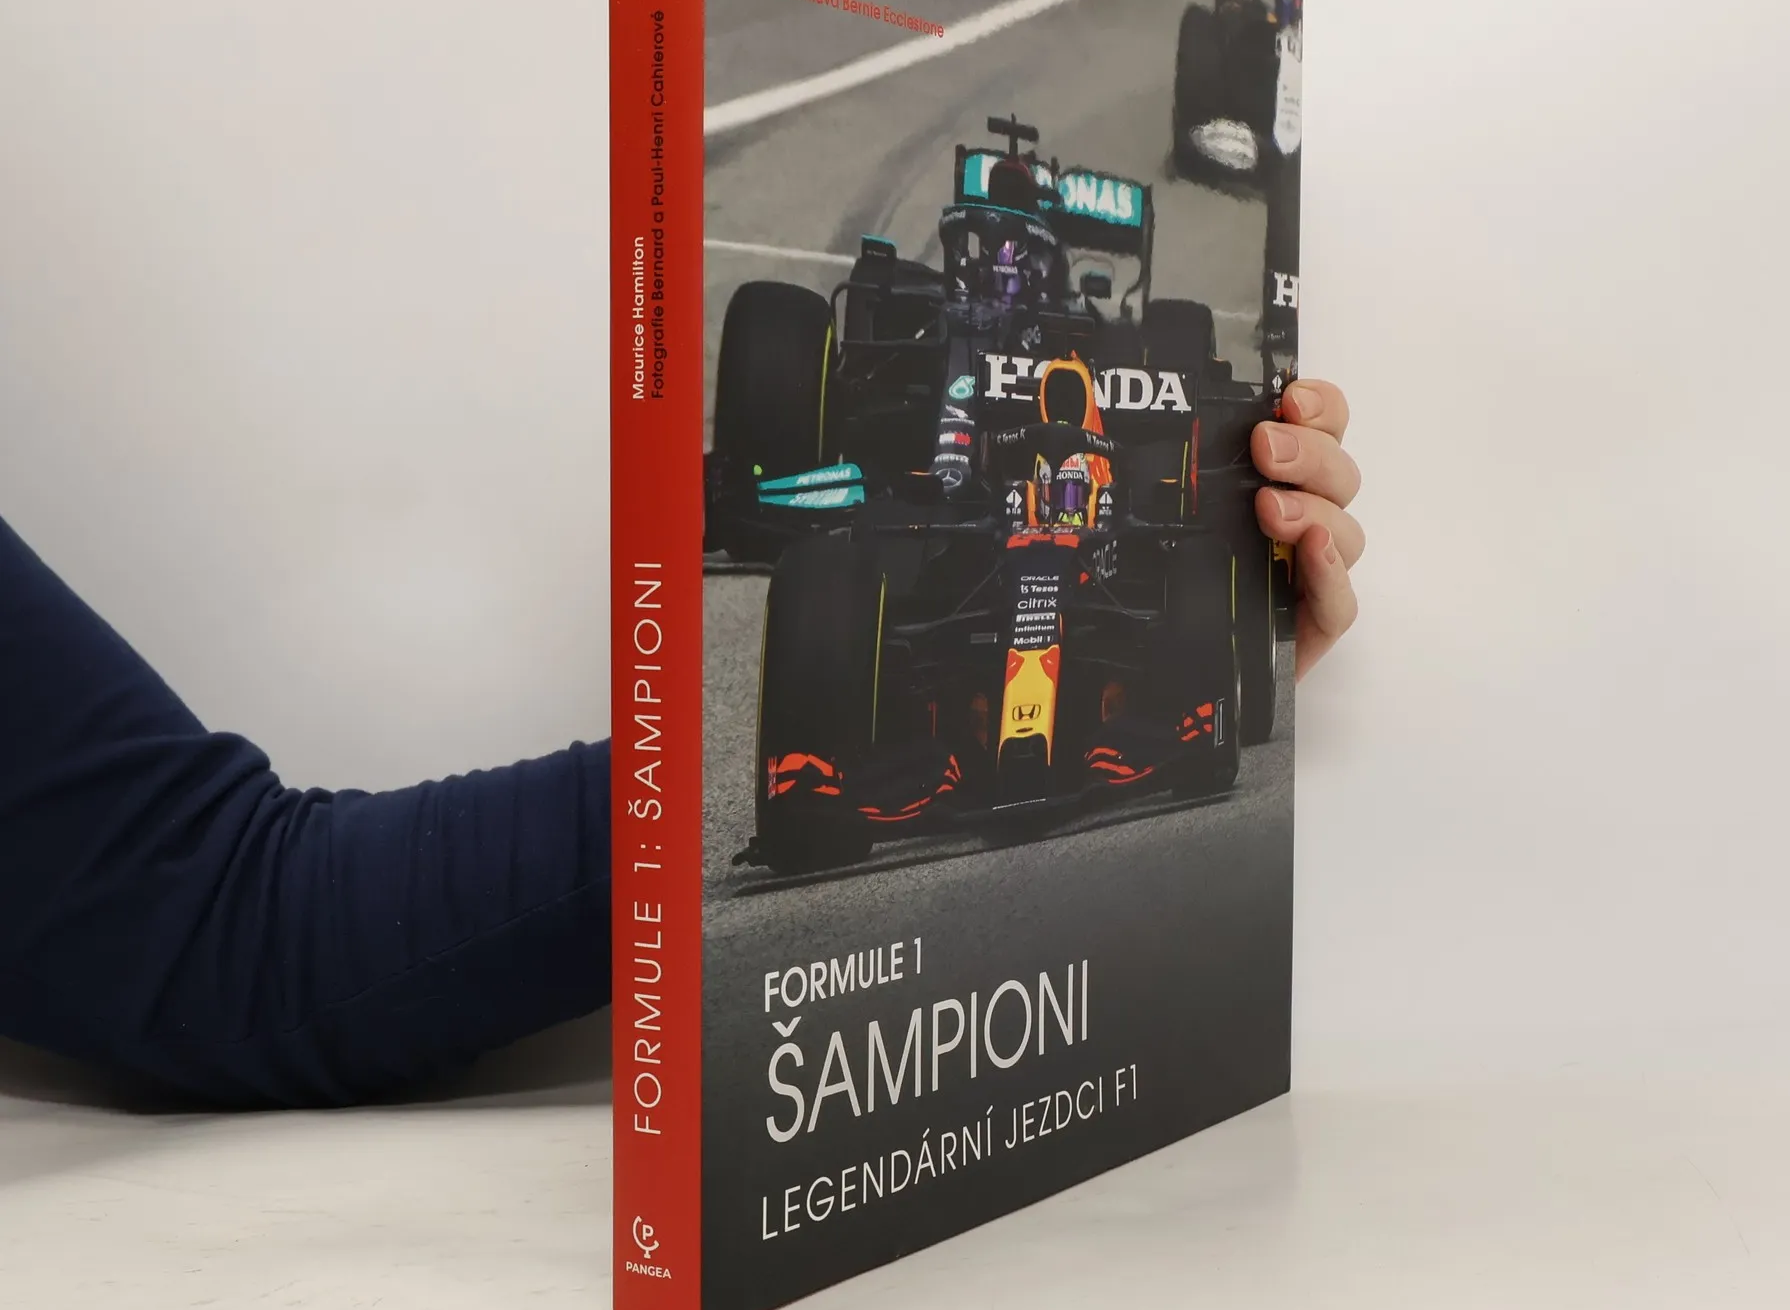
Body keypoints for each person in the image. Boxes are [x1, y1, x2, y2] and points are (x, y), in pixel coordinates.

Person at [0, 380, 1359, 1107]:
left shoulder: (1111, 507)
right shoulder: (973, 489)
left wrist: (1221, 630)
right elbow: (220, 936)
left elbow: (224, 926)